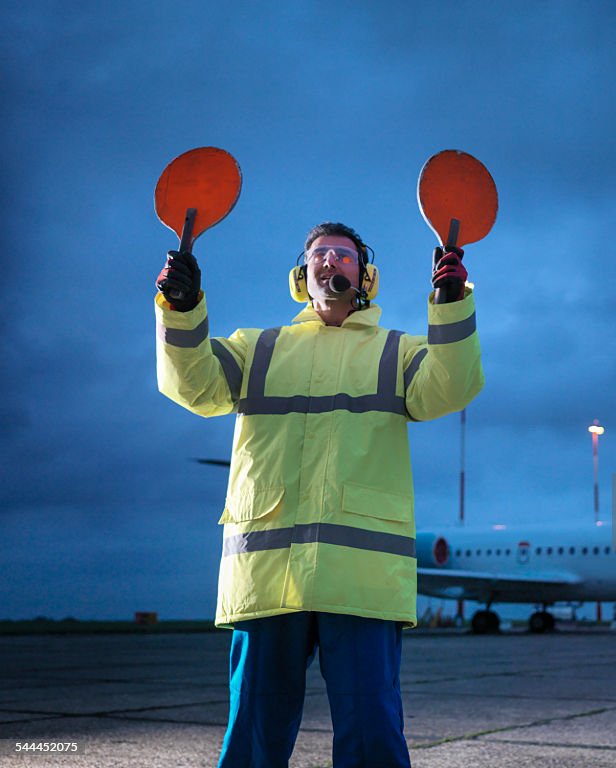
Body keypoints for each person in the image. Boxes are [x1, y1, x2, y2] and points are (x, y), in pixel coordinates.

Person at [154, 221, 483, 767]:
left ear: (366, 276)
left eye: (344, 255)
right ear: (301, 276)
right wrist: (180, 304)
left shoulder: (398, 353)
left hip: (360, 583)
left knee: (372, 736)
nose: (331, 261)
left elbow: (451, 388)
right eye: (320, 254)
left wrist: (450, 303)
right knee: (252, 737)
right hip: (269, 579)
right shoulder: (257, 349)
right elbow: (193, 385)